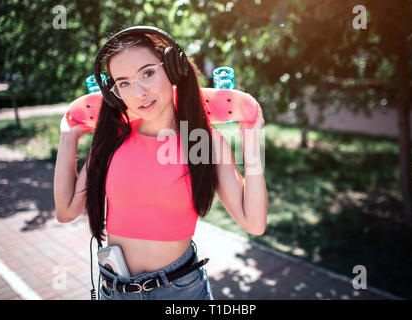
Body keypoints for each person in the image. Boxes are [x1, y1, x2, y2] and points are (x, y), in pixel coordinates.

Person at [53, 27, 268, 300]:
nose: (139, 92)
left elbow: (254, 223)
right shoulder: (112, 141)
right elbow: (66, 211)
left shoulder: (200, 141)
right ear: (113, 91)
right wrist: (68, 137)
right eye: (124, 83)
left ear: (172, 69)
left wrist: (252, 141)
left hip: (180, 292)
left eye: (148, 73)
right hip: (115, 291)